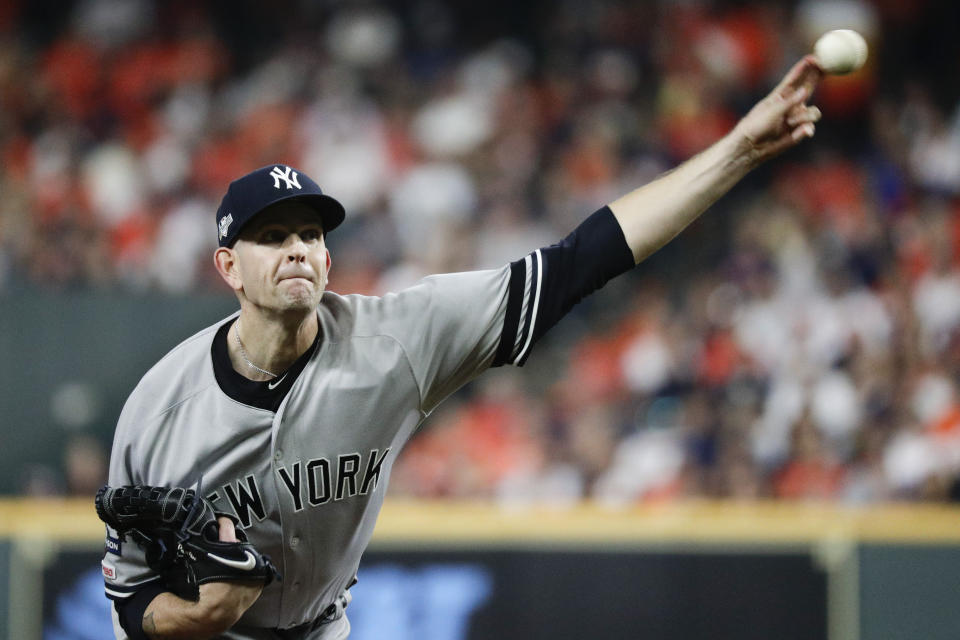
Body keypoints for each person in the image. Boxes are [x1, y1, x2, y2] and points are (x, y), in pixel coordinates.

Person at [101, 56, 824, 639]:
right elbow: (131, 602)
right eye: (270, 236)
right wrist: (193, 619)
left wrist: (735, 153)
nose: (296, 250)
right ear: (227, 265)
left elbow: (581, 260)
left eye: (310, 235)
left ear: (328, 260)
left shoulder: (396, 341)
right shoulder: (161, 408)